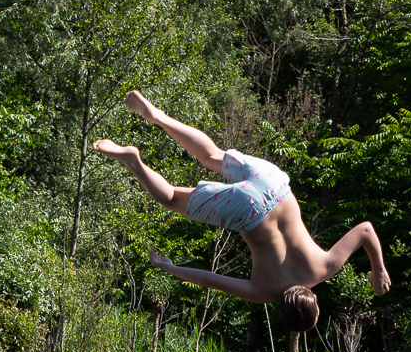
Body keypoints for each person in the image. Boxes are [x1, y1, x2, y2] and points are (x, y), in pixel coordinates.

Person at [91, 90, 388, 334]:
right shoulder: (264, 291)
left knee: (211, 155)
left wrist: (379, 269)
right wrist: (171, 268)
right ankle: (134, 162)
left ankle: (157, 116)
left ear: (314, 301)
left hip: (275, 186)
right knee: (171, 197)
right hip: (248, 211)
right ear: (283, 311)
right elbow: (209, 279)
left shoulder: (326, 266)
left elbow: (365, 230)